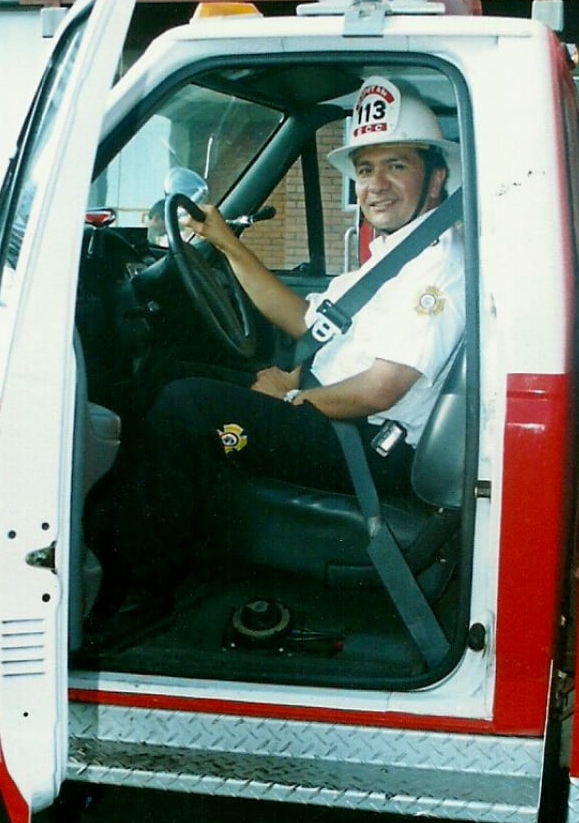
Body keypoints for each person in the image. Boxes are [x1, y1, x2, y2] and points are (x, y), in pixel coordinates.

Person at [84, 76, 467, 651]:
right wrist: (230, 245)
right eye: (365, 169)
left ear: (435, 177)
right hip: (333, 413)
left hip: (362, 444)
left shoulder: (441, 266)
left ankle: (141, 598)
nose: (376, 185)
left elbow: (381, 389)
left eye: (397, 166)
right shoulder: (394, 252)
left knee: (188, 406)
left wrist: (292, 399)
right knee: (170, 374)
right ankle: (118, 539)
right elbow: (306, 322)